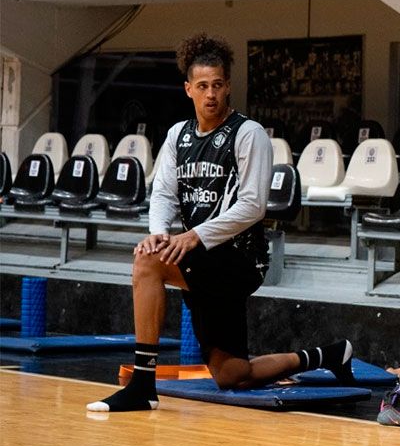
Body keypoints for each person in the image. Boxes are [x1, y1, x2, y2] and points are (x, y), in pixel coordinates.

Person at [87, 33, 354, 412]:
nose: (210, 94)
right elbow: (162, 194)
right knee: (233, 374)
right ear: (188, 89)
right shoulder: (177, 136)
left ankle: (143, 385)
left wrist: (193, 236)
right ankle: (331, 355)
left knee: (147, 264)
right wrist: (159, 234)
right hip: (200, 258)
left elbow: (253, 206)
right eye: (202, 86)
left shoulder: (248, 133)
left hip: (241, 259)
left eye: (217, 85)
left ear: (228, 86)